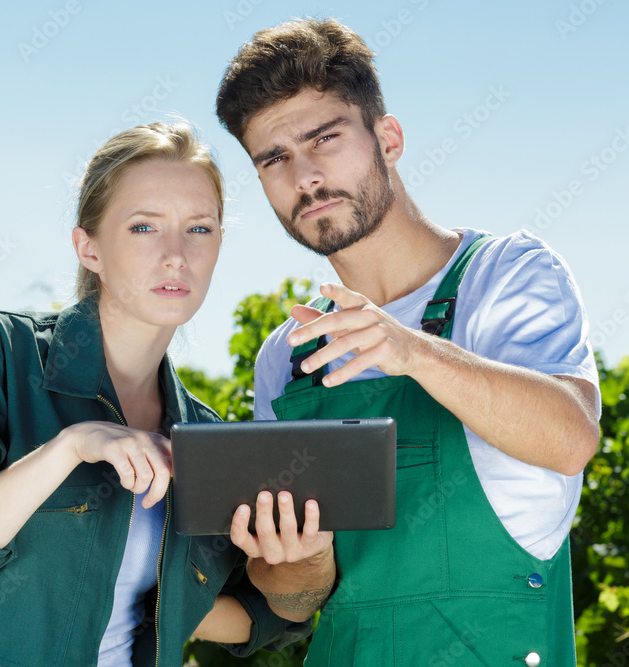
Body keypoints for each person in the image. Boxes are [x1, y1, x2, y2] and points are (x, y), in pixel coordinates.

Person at [216, 19, 601, 666]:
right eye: (273, 159)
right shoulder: (288, 357)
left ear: (387, 139)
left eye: (325, 138)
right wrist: (296, 559)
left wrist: (412, 350)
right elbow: (297, 601)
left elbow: (571, 438)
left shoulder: (506, 274)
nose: (305, 176)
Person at [0, 122, 309, 666]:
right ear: (88, 247)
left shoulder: (202, 437)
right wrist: (70, 446)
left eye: (200, 229)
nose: (176, 255)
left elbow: (266, 617)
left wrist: (292, 564)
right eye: (144, 227)